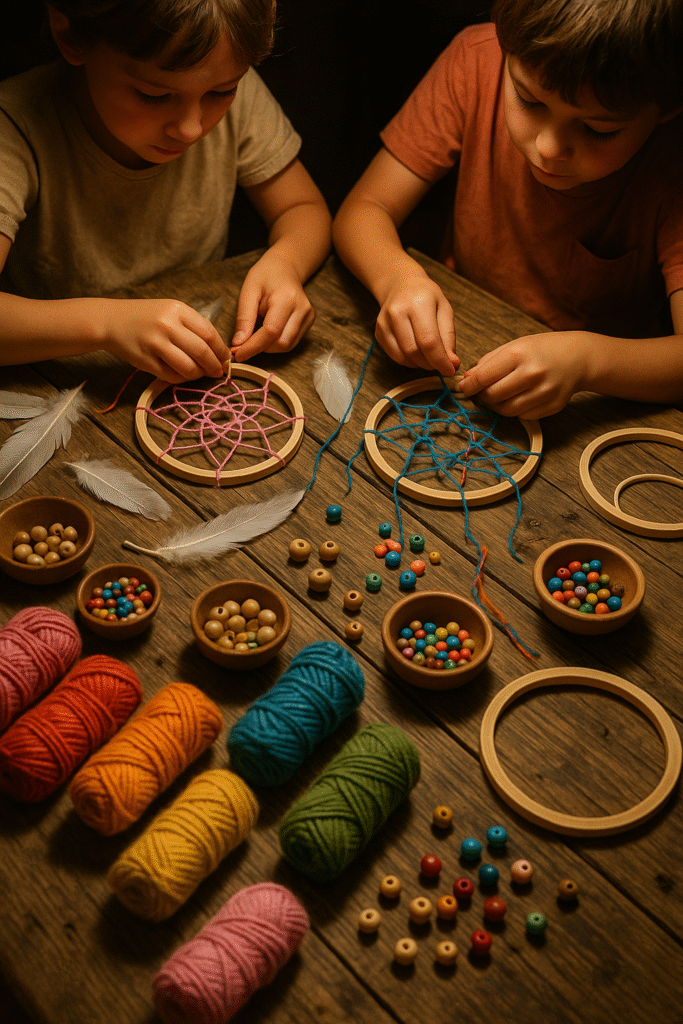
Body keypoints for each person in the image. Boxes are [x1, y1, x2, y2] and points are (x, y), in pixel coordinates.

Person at [332, 0, 683, 419]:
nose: (549, 148)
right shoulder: (476, 60)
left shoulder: (672, 160)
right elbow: (364, 209)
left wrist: (588, 361)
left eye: (597, 130)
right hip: (462, 344)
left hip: (598, 405)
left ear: (666, 109)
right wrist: (397, 279)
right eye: (529, 100)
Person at [0, 0, 331, 382]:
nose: (191, 128)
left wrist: (286, 263)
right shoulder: (16, 130)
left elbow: (302, 207)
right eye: (154, 96)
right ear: (70, 36)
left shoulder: (220, 75)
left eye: (223, 91)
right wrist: (106, 324)